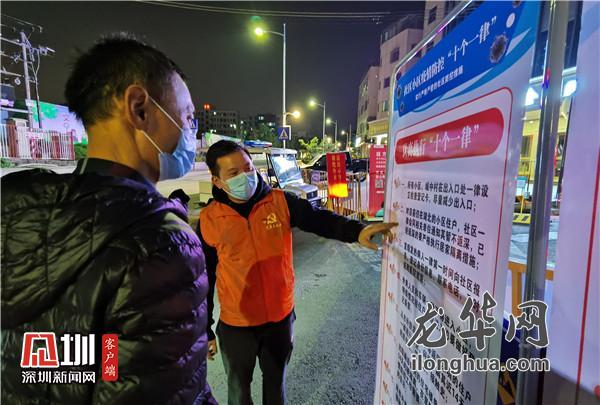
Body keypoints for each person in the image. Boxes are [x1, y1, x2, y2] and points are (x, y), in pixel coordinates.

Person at [1, 34, 215, 404]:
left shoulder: (18, 215)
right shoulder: (160, 243)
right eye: (188, 116)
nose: (190, 131)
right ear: (140, 109)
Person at [197, 140, 397, 405]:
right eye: (234, 173)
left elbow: (318, 218)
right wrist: (205, 329)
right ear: (217, 180)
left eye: (248, 168)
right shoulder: (209, 219)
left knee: (275, 388)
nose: (245, 176)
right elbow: (203, 278)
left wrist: (357, 231)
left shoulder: (280, 201)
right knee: (238, 393)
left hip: (279, 320)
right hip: (236, 326)